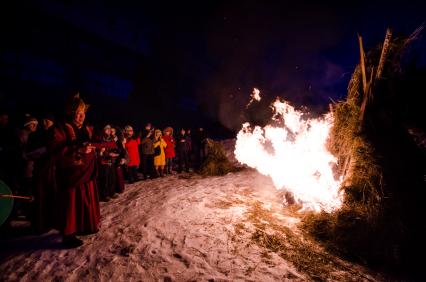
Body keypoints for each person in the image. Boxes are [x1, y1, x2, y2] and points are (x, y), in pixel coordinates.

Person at [49, 93, 100, 247]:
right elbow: (56, 150)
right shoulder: (60, 128)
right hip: (71, 174)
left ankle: (85, 226)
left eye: (83, 113)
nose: (81, 116)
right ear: (71, 113)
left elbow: (92, 143)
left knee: (85, 199)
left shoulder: (86, 129)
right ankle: (68, 234)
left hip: (86, 172)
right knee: (70, 203)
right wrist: (79, 150)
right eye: (78, 113)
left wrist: (97, 148)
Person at [97, 125, 119, 202]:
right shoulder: (100, 138)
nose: (109, 130)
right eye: (107, 129)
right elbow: (100, 150)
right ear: (103, 130)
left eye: (110, 129)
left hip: (111, 161)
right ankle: (104, 195)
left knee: (112, 177)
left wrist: (116, 153)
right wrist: (108, 153)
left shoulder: (111, 139)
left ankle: (112, 192)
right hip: (104, 161)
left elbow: (115, 148)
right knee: (104, 179)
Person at [111, 126, 126, 193]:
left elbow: (122, 149)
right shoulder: (108, 139)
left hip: (117, 158)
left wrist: (122, 157)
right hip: (111, 159)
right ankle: (114, 189)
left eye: (113, 131)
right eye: (110, 131)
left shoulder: (117, 139)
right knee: (113, 175)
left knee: (118, 173)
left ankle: (120, 188)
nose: (112, 133)